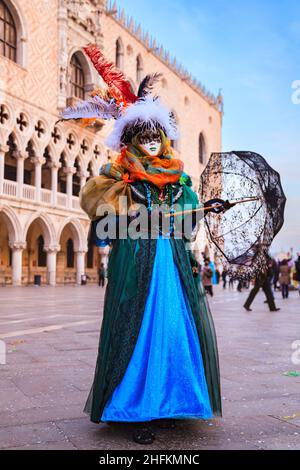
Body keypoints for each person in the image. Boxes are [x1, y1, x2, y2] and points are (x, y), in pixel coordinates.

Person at [60, 45, 224, 445]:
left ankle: (171, 401)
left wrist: (207, 206)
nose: (151, 144)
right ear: (131, 140)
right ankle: (138, 408)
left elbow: (186, 225)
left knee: (173, 330)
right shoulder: (117, 179)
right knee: (141, 331)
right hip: (136, 267)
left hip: (173, 268)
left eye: (156, 137)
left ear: (165, 140)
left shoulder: (180, 182)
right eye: (143, 137)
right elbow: (102, 230)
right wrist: (132, 220)